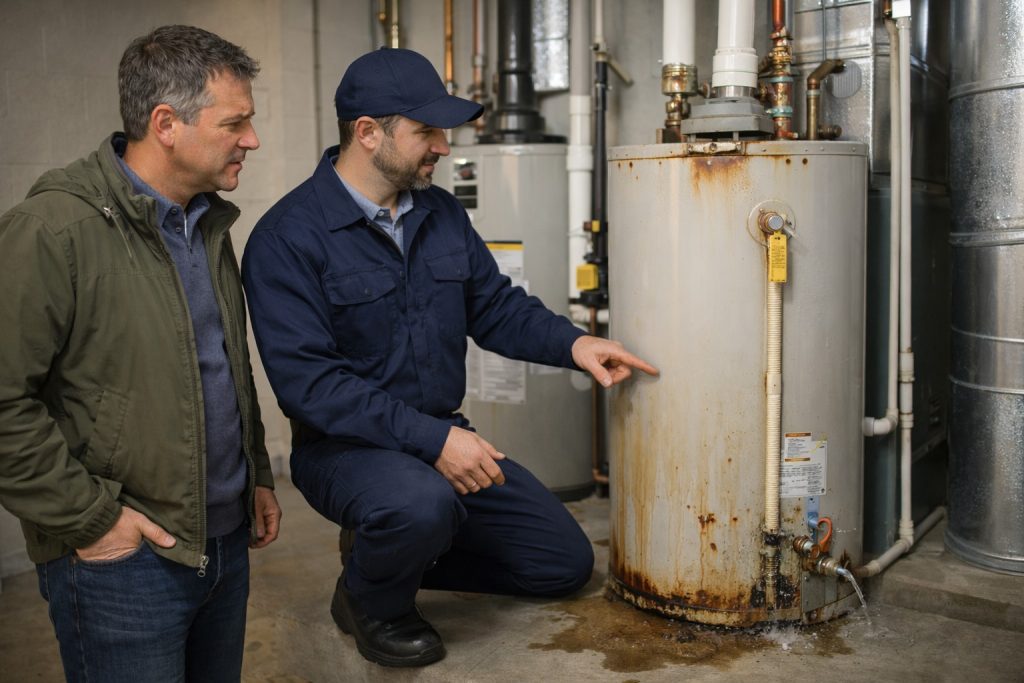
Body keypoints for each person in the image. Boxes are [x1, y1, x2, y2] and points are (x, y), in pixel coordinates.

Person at [241, 47, 656, 668]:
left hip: (441, 436)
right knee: (418, 503)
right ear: (368, 132)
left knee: (560, 564)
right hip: (345, 449)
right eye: (426, 131)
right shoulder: (287, 238)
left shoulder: (437, 211)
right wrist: (432, 442)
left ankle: (389, 551)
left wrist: (575, 343)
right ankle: (370, 601)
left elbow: (493, 307)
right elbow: (311, 387)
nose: (444, 145)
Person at [0, 25, 281, 682]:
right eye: (235, 122)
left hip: (224, 543)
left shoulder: (208, 224)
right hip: (122, 564)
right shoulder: (54, 229)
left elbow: (224, 363)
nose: (253, 140)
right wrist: (95, 520)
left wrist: (257, 474)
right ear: (166, 123)